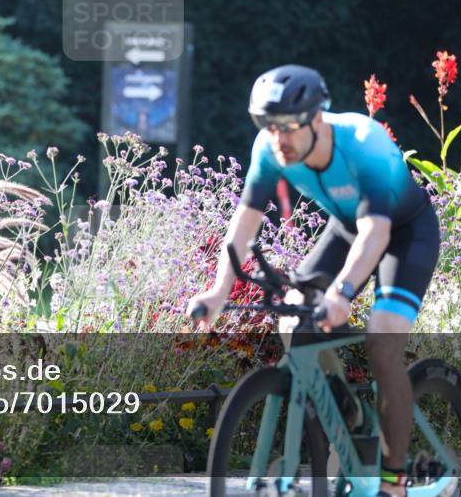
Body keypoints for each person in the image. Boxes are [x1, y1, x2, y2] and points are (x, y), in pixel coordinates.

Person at [185, 65, 440, 497]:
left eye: (287, 127)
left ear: (316, 118)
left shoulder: (364, 143)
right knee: (293, 321)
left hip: (404, 233)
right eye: (267, 126)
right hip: (347, 229)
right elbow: (242, 227)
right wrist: (218, 291)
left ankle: (394, 481)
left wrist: (342, 293)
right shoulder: (268, 149)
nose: (277, 138)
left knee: (382, 343)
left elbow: (377, 233)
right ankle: (349, 413)